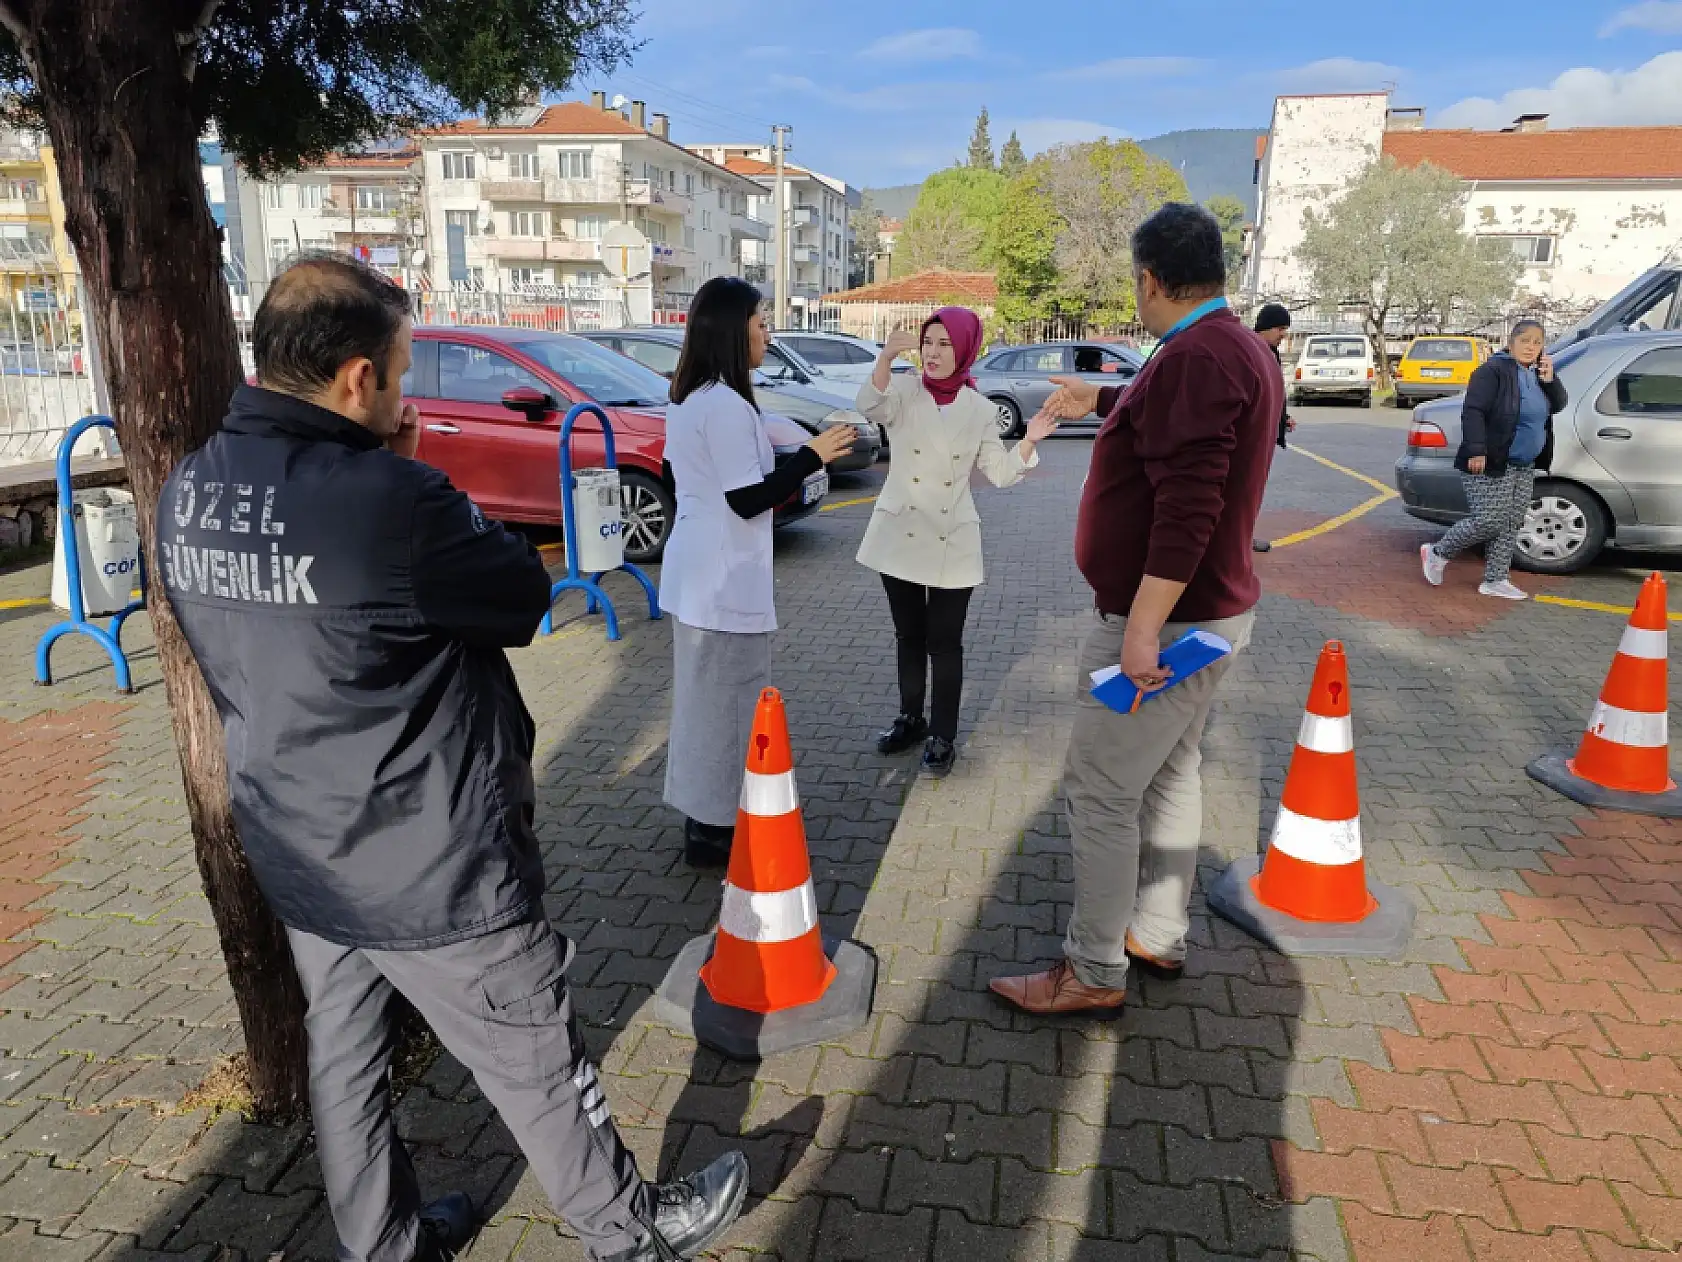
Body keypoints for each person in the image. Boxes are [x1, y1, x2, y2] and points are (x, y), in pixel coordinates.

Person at [158, 253, 748, 1262]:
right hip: (427, 859)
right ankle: (628, 1232)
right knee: (535, 1054)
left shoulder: (192, 487)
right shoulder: (392, 497)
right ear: (357, 378)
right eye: (399, 370)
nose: (406, 391)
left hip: (299, 845)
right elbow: (518, 595)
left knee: (345, 1062)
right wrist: (414, 471)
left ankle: (383, 1246)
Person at [988, 204, 1282, 1016]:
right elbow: (1183, 423)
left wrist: (1143, 629)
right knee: (1172, 772)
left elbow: (1189, 508)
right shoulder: (1233, 346)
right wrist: (1107, 397)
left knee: (1103, 790)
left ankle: (1092, 968)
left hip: (1171, 625)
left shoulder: (1197, 356)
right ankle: (1156, 932)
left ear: (1149, 279)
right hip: (1209, 616)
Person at [659, 277, 857, 865]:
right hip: (721, 584)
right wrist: (812, 456)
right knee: (727, 712)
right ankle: (716, 829)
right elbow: (747, 498)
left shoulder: (691, 398)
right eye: (761, 323)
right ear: (731, 330)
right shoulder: (722, 404)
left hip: (699, 576)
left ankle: (705, 821)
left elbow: (682, 477)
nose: (768, 335)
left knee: (704, 708)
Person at [856, 307, 1058, 776]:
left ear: (965, 349)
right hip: (900, 531)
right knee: (908, 635)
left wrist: (1029, 440)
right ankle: (910, 718)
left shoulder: (980, 409)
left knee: (945, 642)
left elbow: (1000, 473)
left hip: (953, 540)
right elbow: (870, 406)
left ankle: (942, 735)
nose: (933, 352)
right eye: (928, 342)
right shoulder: (904, 390)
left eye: (945, 344)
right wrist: (885, 358)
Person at [1420, 319, 1566, 601]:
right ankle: (1438, 553)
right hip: (1493, 460)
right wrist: (1477, 449)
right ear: (1511, 343)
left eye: (1537, 343)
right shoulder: (1492, 371)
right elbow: (1473, 411)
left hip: (1524, 463)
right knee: (1489, 520)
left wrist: (1551, 380)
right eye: (1525, 341)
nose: (1531, 347)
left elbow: (1558, 405)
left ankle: (1495, 580)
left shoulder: (1537, 374)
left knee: (1511, 522)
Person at [1250, 304, 1295, 554]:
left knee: (1253, 491)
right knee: (1244, 492)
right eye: (1279, 328)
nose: (1283, 334)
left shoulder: (1271, 352)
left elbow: (1273, 392)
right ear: (1265, 327)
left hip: (1265, 435)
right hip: (1251, 437)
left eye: (1285, 329)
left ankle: (1242, 537)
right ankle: (1237, 541)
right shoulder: (1251, 350)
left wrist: (1282, 417)